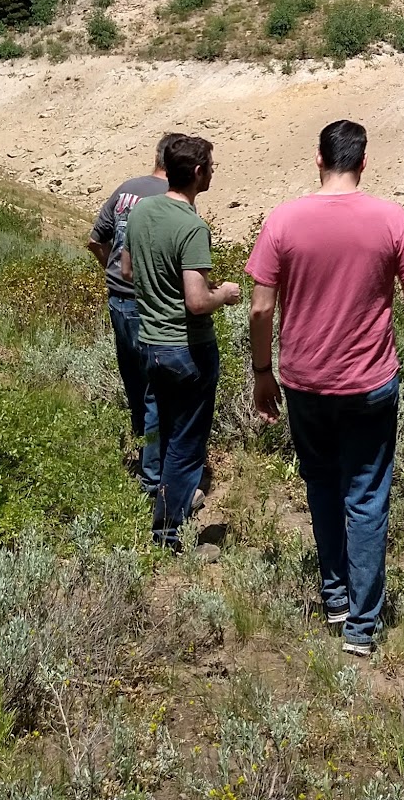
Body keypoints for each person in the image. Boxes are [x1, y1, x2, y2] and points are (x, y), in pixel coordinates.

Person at [247, 119, 404, 657]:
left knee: (322, 485)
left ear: (318, 158)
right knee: (367, 495)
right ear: (363, 161)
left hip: (304, 382)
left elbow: (261, 308)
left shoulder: (283, 220)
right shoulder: (391, 219)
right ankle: (361, 626)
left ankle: (335, 598)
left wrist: (262, 371)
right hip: (370, 383)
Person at [125, 132, 241, 549]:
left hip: (150, 342)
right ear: (196, 172)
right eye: (210, 167)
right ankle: (168, 533)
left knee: (163, 427)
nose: (212, 173)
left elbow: (126, 271)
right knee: (187, 445)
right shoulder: (192, 227)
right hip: (188, 349)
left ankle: (162, 499)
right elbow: (196, 301)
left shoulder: (142, 211)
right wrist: (224, 294)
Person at [87, 139, 175, 470]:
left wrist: (113, 270)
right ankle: (154, 469)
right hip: (148, 304)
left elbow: (95, 240)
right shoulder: (171, 197)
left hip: (117, 299)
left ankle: (142, 451)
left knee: (134, 383)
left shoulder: (126, 189)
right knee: (158, 389)